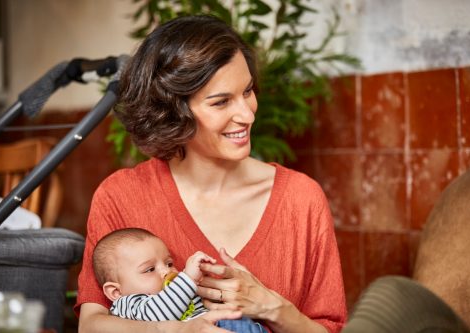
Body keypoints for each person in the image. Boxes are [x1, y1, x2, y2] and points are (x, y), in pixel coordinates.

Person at [76, 14, 347, 333]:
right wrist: (177, 330)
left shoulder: (301, 200)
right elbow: (91, 325)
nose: (247, 114)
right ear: (174, 110)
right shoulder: (121, 196)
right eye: (221, 102)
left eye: (247, 91)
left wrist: (273, 308)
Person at [93, 227, 265, 332]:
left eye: (168, 263)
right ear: (116, 291)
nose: (165, 271)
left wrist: (200, 282)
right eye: (150, 269)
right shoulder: (129, 304)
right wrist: (188, 279)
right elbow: (159, 314)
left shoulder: (179, 289)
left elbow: (203, 307)